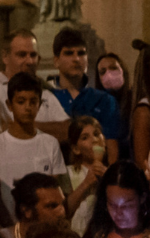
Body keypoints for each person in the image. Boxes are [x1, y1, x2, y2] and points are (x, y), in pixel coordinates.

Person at [0, 73, 69, 224]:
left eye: (33, 102)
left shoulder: (50, 143)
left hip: (43, 227)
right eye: (21, 101)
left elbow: (55, 189)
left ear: (39, 104)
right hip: (7, 226)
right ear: (9, 105)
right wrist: (14, 229)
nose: (28, 107)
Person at [45, 27, 123, 161]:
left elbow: (111, 148)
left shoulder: (104, 100)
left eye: (81, 53)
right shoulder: (45, 98)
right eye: (69, 53)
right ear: (56, 61)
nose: (76, 59)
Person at [0, 30, 70, 133]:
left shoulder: (46, 94)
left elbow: (66, 130)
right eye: (22, 55)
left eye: (33, 55)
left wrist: (17, 126)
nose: (29, 61)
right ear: (5, 57)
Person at [92, 49, 132, 146]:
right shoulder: (96, 105)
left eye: (113, 68)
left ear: (122, 70)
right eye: (103, 71)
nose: (108, 74)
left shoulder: (134, 98)